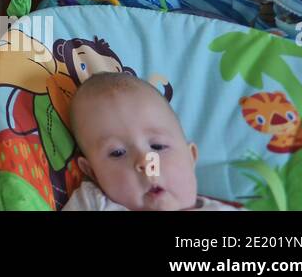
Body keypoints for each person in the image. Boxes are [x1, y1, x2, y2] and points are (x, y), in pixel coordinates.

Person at [64, 72, 241, 210]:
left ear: (191, 156)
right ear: (93, 172)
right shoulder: (93, 203)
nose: (146, 161)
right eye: (117, 153)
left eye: (158, 146)